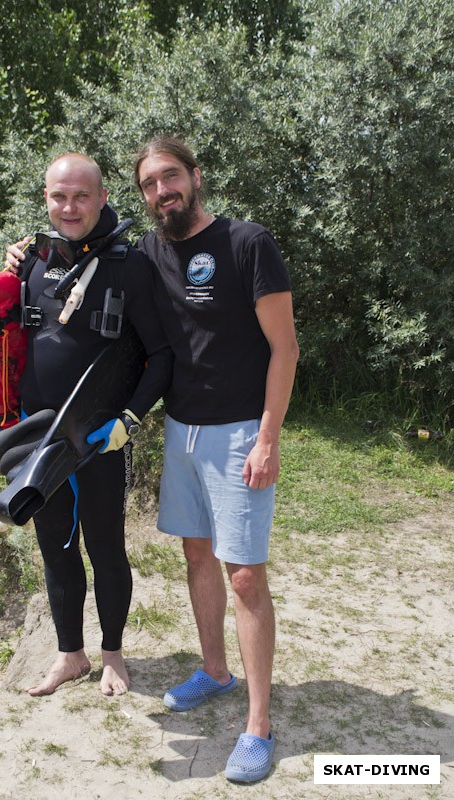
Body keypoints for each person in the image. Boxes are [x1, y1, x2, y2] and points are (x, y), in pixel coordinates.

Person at [133, 136, 299, 782]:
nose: (161, 192)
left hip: (239, 434)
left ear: (196, 177)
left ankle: (258, 725)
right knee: (196, 553)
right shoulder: (150, 250)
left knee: (246, 576)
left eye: (170, 177)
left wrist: (268, 438)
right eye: (149, 184)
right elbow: (88, 255)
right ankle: (215, 670)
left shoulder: (247, 244)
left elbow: (284, 349)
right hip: (182, 430)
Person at [0, 152, 172, 697]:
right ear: (45, 198)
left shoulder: (130, 266)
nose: (70, 207)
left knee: (106, 549)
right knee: (55, 549)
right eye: (58, 196)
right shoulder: (31, 263)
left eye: (81, 196)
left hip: (97, 437)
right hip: (39, 441)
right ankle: (71, 655)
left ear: (102, 198)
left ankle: (112, 653)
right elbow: (4, 344)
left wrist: (131, 420)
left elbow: (160, 355)